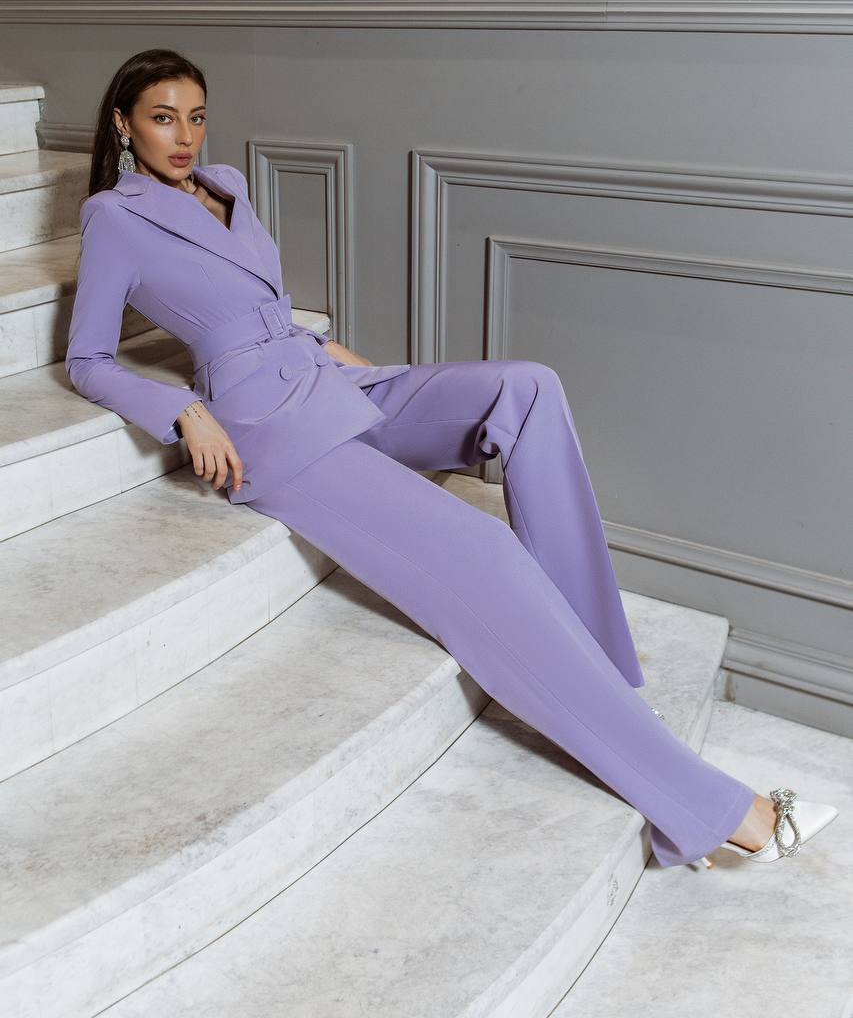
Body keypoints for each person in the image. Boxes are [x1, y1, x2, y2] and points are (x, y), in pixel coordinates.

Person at [65, 48, 837, 870]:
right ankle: (722, 813)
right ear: (123, 123)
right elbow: (89, 361)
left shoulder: (227, 187)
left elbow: (263, 305)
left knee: (526, 388)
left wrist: (319, 342)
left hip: (324, 376)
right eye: (161, 118)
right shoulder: (117, 219)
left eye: (195, 116)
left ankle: (591, 666)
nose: (183, 136)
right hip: (267, 428)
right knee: (482, 550)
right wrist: (182, 411)